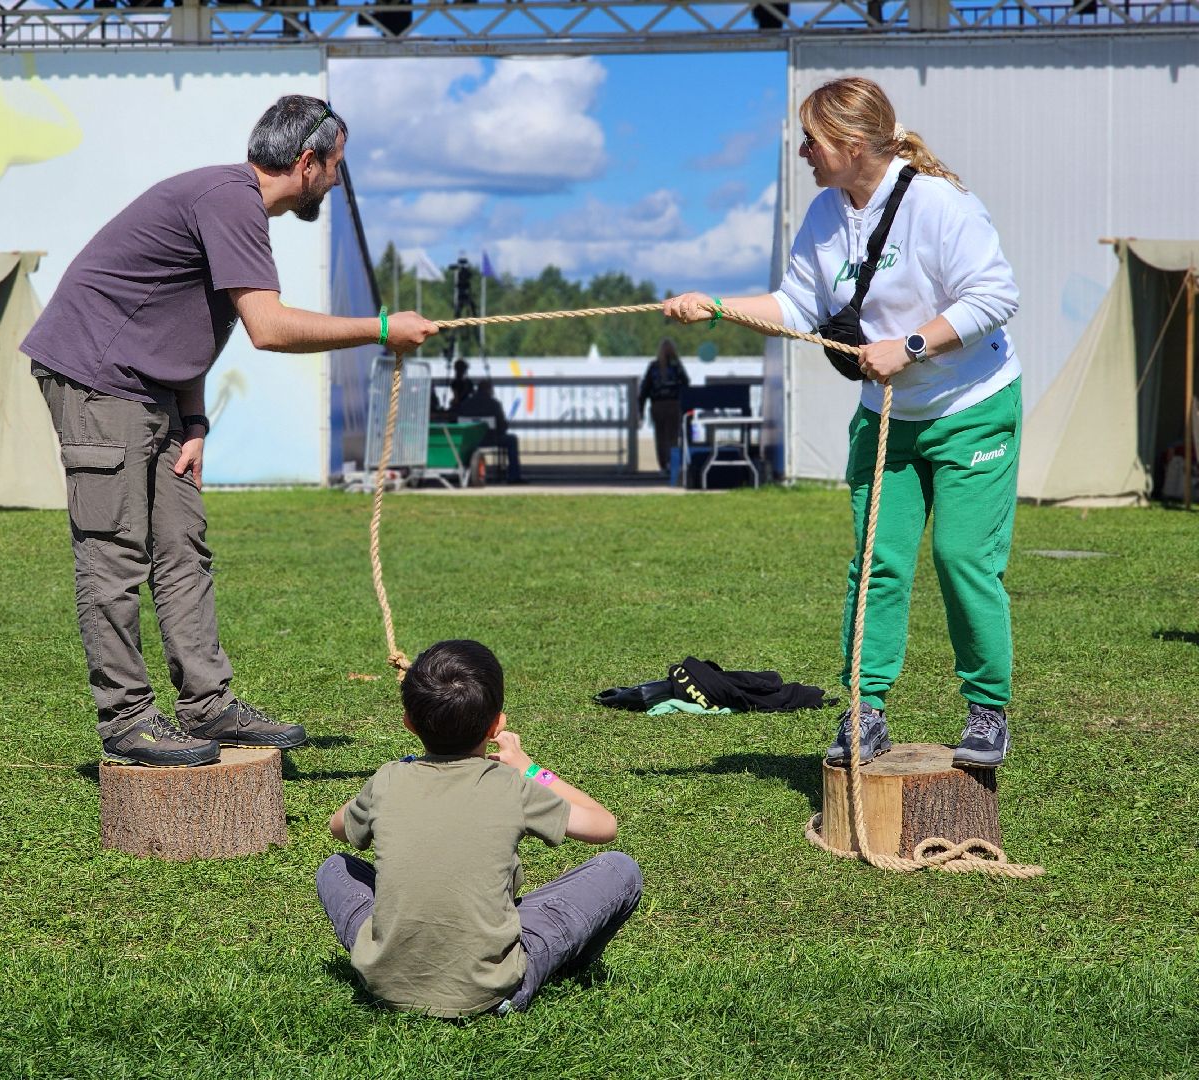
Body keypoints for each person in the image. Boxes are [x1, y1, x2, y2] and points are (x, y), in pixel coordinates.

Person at [21, 95, 438, 768]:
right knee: (114, 554)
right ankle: (127, 719)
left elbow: (179, 323)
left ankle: (207, 704)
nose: (336, 180)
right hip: (98, 381)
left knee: (182, 546)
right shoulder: (229, 199)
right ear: (308, 162)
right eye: (337, 167)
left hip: (153, 393)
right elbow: (267, 329)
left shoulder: (233, 206)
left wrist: (194, 420)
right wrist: (384, 329)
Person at [664, 76, 1021, 770]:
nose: (803, 152)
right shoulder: (827, 213)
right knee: (877, 566)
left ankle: (986, 712)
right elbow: (797, 305)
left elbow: (996, 294)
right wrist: (715, 307)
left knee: (960, 557)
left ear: (853, 145)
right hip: (885, 416)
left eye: (812, 140)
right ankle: (867, 711)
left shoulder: (940, 204)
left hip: (972, 407)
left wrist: (911, 345)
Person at [317, 639, 643, 1017]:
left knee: (335, 867)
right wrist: (530, 769)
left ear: (408, 723)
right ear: (496, 725)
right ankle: (552, 967)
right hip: (491, 990)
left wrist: (395, 774)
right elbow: (604, 825)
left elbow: (338, 827)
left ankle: (394, 963)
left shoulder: (388, 780)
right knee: (619, 869)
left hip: (385, 985)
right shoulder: (512, 784)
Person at [637, 338, 691, 474]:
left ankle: (663, 466)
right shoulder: (677, 367)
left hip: (657, 406)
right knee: (673, 438)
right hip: (674, 405)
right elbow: (686, 384)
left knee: (660, 438)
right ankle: (673, 466)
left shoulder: (653, 367)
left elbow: (644, 390)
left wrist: (640, 411)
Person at [455, 378, 523, 483]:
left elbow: (458, 420)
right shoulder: (494, 404)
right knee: (512, 440)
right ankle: (514, 476)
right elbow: (502, 426)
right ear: (490, 390)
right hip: (492, 439)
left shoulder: (466, 404)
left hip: (470, 441)